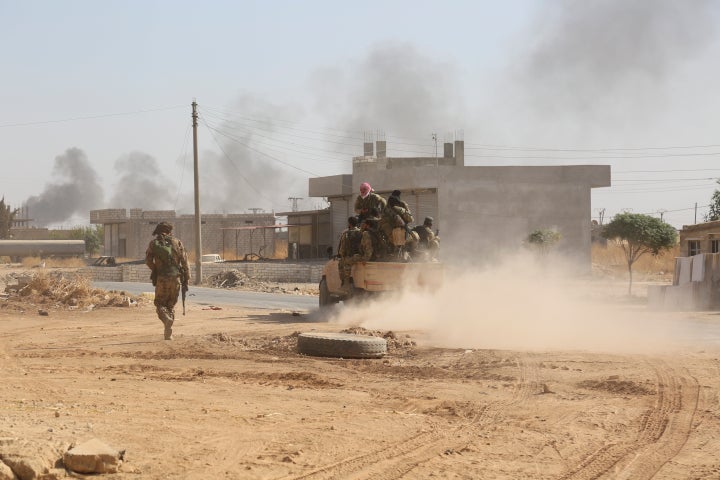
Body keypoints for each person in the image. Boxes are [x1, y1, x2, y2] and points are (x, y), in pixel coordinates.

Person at [145, 221, 189, 340]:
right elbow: (185, 262)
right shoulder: (177, 242)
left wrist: (156, 269)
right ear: (170, 231)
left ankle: (166, 320)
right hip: (176, 278)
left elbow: (148, 261)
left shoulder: (153, 243)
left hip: (161, 279)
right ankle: (168, 333)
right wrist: (187, 279)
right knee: (170, 305)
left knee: (159, 303)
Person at [337, 216, 362, 286]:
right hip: (359, 255)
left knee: (341, 264)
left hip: (350, 257)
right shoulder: (361, 232)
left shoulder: (346, 233)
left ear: (350, 224)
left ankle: (344, 282)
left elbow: (342, 248)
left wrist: (341, 255)